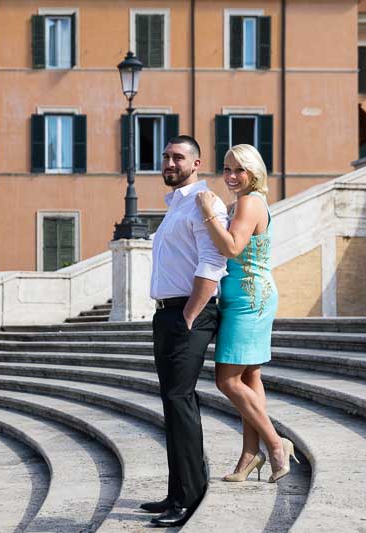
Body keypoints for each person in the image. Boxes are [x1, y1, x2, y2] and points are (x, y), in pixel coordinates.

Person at [195, 144, 298, 484]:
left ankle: (275, 443)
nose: (231, 176)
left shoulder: (249, 202)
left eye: (239, 169)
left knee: (226, 380)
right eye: (226, 169)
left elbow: (232, 247)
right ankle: (249, 457)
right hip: (248, 295)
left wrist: (209, 212)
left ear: (254, 173)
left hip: (249, 299)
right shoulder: (248, 202)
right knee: (250, 377)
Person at [140, 135, 228, 527]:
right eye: (166, 157)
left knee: (179, 400)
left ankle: (189, 498)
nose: (169, 163)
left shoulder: (203, 203)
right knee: (173, 404)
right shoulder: (176, 205)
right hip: (168, 314)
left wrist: (190, 316)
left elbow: (213, 263)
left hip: (188, 314)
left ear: (197, 163)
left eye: (178, 157)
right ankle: (178, 492)